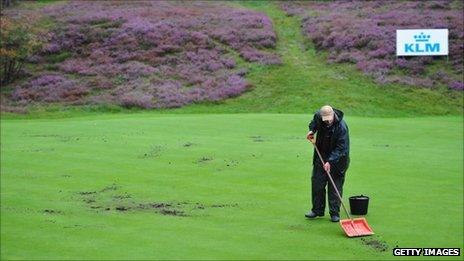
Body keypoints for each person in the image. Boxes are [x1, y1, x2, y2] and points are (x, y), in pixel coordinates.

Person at [305, 105, 350, 222]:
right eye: (325, 119)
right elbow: (313, 123)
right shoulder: (319, 116)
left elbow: (341, 148)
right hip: (321, 155)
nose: (327, 121)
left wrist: (330, 161)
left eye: (329, 119)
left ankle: (334, 213)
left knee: (335, 186)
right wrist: (311, 131)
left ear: (333, 115)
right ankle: (317, 210)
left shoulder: (342, 127)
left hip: (338, 159)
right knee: (317, 183)